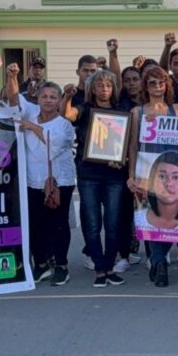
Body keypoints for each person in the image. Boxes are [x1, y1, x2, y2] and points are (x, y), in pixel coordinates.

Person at [5, 71, 76, 287]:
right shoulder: (30, 111)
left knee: (58, 225)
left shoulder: (64, 124)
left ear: (59, 101)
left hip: (58, 182)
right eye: (44, 96)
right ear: (38, 98)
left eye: (53, 97)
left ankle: (62, 266)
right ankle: (41, 264)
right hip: (32, 180)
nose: (48, 100)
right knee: (35, 224)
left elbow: (53, 146)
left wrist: (33, 127)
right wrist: (12, 77)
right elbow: (14, 99)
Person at [127, 66, 178, 286]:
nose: (157, 87)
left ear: (167, 85)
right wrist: (132, 175)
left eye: (161, 82)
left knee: (168, 217)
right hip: (147, 171)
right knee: (152, 216)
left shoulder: (177, 109)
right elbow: (132, 145)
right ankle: (160, 263)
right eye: (152, 83)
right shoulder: (138, 112)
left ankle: (157, 260)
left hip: (174, 169)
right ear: (145, 87)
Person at [61, 69, 128, 289]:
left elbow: (128, 142)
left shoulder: (121, 111)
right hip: (88, 174)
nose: (104, 89)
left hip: (115, 175)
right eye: (100, 85)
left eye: (108, 85)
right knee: (91, 224)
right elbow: (66, 115)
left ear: (113, 88)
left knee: (113, 224)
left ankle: (110, 266)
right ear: (93, 88)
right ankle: (99, 268)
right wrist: (68, 96)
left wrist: (123, 157)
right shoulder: (85, 108)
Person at [133, 151, 178, 233]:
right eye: (162, 176)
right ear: (152, 181)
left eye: (175, 177)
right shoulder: (137, 219)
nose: (168, 183)